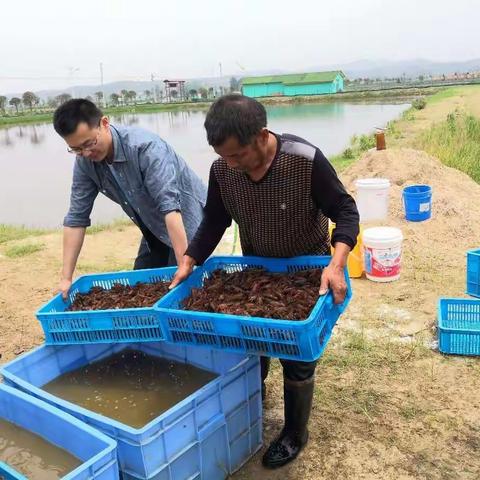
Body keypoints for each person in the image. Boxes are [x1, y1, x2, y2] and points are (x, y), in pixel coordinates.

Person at [170, 94, 359, 469]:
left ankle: (294, 432)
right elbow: (214, 221)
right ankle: (251, 401)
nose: (231, 163)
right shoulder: (223, 171)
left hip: (305, 271)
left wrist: (336, 264)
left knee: (296, 355)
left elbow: (346, 210)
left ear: (261, 135)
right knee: (249, 344)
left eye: (237, 154)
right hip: (256, 269)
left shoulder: (304, 162)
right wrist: (190, 259)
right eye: (223, 155)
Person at [53, 99, 206, 299]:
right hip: (151, 223)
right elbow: (76, 218)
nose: (86, 153)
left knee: (181, 291)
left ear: (104, 124)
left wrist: (183, 264)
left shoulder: (145, 148)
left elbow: (170, 208)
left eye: (89, 143)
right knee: (139, 288)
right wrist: (66, 278)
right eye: (76, 149)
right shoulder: (85, 162)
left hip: (184, 219)